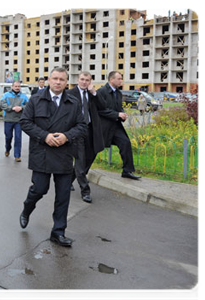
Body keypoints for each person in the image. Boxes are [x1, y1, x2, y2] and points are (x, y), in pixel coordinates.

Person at [19, 67, 86, 247]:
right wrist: (44, 136)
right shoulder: (35, 100)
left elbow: (81, 126)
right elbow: (25, 122)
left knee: (63, 195)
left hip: (64, 153)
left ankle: (58, 232)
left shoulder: (73, 102)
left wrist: (67, 136)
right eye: (55, 78)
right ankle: (27, 209)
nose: (58, 82)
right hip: (41, 152)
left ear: (66, 82)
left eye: (61, 79)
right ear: (49, 80)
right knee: (39, 189)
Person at [68, 71, 106, 203]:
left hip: (91, 130)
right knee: (79, 160)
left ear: (90, 82)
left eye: (87, 80)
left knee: (90, 157)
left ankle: (68, 181)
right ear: (77, 80)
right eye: (82, 79)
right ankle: (85, 191)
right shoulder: (69, 94)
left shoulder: (93, 94)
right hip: (77, 131)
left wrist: (94, 93)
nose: (84, 82)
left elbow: (103, 106)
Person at [97, 71, 141, 180]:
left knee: (125, 143)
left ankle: (127, 170)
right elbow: (99, 110)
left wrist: (122, 114)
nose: (121, 81)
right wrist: (117, 114)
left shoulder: (118, 93)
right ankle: (74, 176)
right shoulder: (101, 92)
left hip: (115, 126)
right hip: (103, 127)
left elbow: (118, 108)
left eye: (121, 78)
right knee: (91, 153)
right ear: (111, 80)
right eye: (119, 78)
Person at [0, 81, 29, 162]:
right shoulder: (6, 95)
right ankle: (7, 149)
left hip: (19, 121)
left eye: (18, 86)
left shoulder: (24, 96)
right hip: (8, 119)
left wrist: (21, 108)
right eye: (15, 86)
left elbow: (29, 106)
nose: (17, 88)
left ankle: (17, 156)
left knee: (18, 138)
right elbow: (2, 104)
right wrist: (12, 108)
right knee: (8, 137)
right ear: (12, 87)